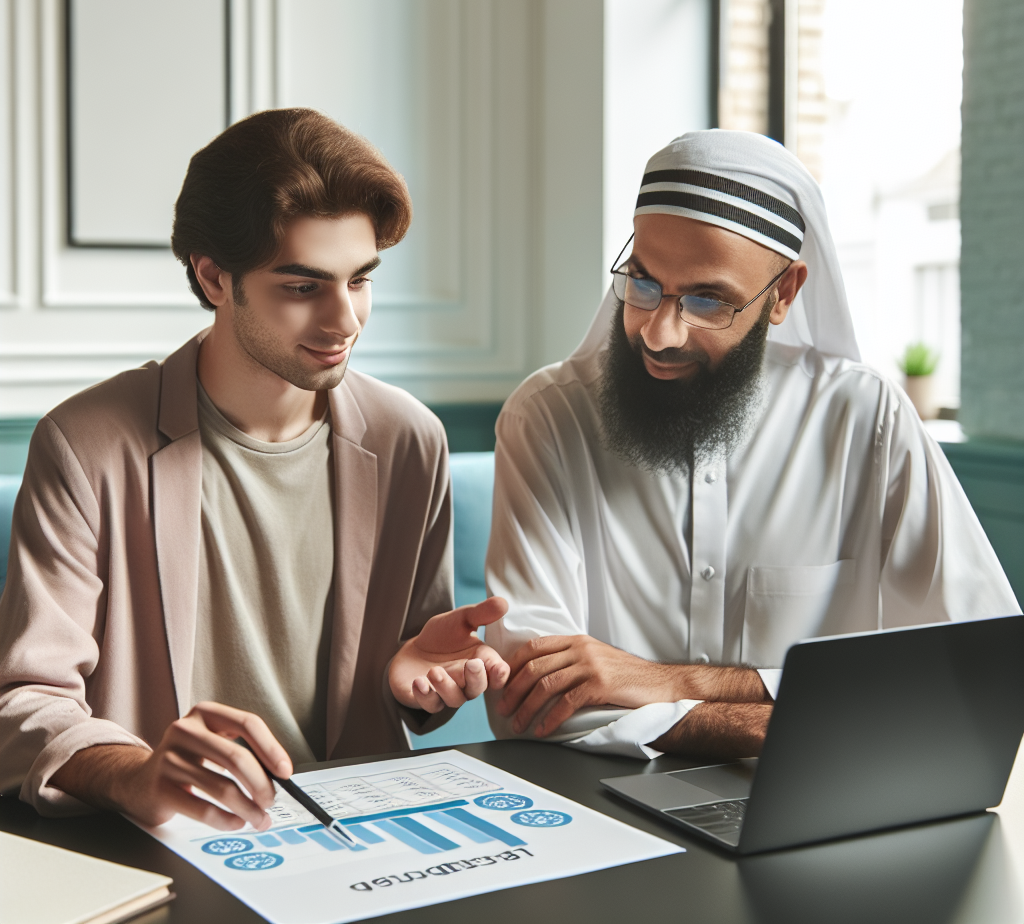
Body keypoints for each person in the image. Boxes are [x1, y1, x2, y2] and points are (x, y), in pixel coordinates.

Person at [0, 108, 509, 830]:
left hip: (365, 836)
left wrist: (410, 681)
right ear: (214, 278)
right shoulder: (85, 445)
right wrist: (136, 772)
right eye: (303, 287)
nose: (346, 320)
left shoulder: (408, 440)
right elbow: (24, 701)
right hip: (173, 844)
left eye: (359, 280)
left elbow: (407, 674)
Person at [485, 129, 1019, 761]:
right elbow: (530, 698)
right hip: (606, 807)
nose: (658, 333)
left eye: (707, 300)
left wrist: (666, 681)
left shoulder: (864, 418)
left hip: (819, 810)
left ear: (784, 295)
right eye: (645, 282)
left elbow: (979, 664)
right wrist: (790, 720)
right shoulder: (549, 417)